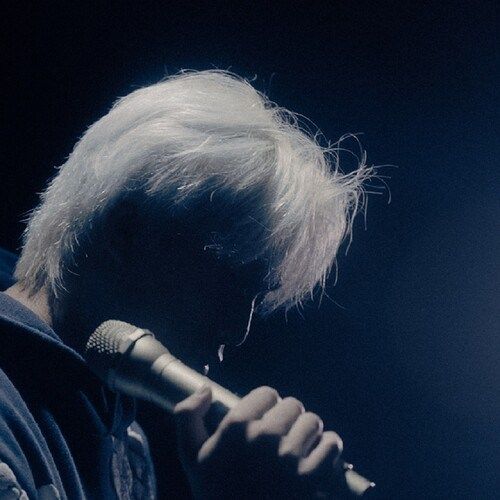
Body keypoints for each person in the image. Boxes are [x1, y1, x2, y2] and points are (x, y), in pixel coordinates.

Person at [0, 70, 370, 499]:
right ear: (127, 233)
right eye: (230, 281)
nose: (237, 329)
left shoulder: (126, 438)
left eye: (256, 297)